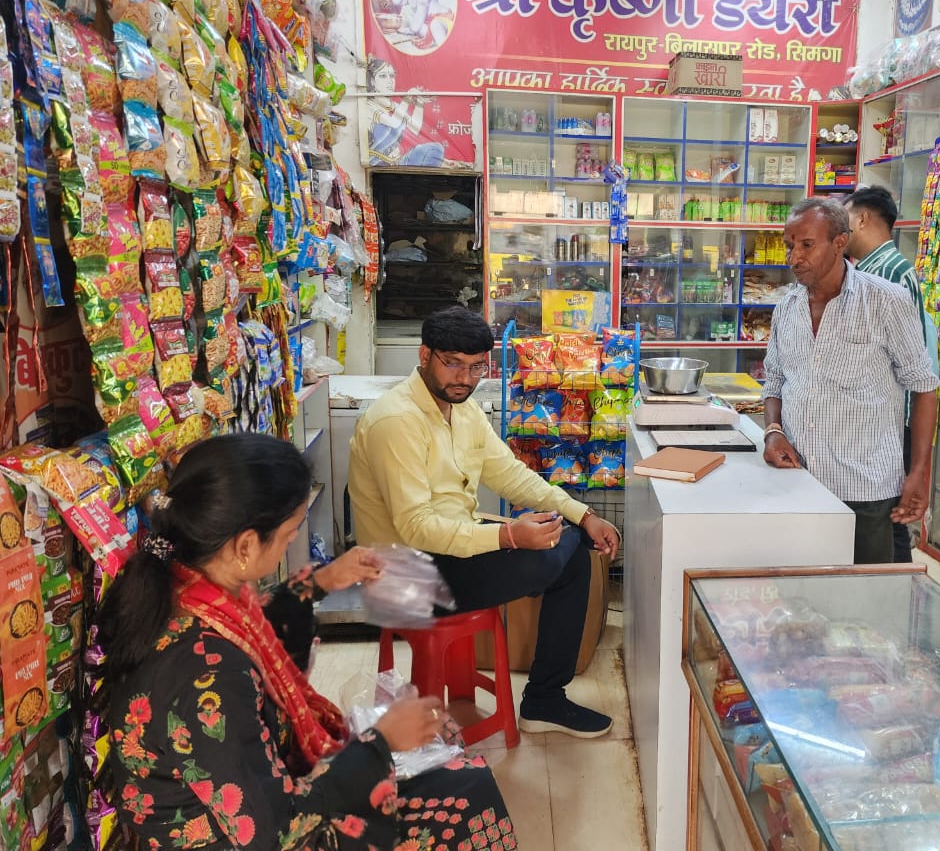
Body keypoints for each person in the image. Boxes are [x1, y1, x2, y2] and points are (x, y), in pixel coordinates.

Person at [97, 433, 517, 851]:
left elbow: (260, 635)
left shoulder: (191, 587)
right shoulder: (205, 675)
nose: (291, 544)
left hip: (255, 799)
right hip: (249, 835)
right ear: (246, 545)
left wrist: (323, 581)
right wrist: (381, 743)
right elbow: (273, 831)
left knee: (450, 761)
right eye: (288, 535)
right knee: (462, 803)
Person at [348, 307, 621, 739]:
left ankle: (544, 701)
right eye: (453, 363)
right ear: (424, 355)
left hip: (450, 553)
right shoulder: (396, 421)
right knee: (559, 553)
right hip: (407, 575)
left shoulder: (464, 410)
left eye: (476, 367)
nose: (465, 378)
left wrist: (582, 514)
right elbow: (417, 526)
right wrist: (511, 535)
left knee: (569, 550)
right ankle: (544, 697)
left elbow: (510, 475)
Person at [762, 198, 940, 564]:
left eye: (807, 245)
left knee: (864, 595)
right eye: (790, 246)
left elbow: (924, 386)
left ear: (839, 243)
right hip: (798, 482)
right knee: (803, 591)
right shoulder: (786, 308)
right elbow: (775, 381)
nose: (794, 257)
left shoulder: (886, 301)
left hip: (865, 490)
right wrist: (773, 432)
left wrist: (918, 472)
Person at [844, 185, 937, 562]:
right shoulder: (872, 268)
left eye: (844, 218)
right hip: (885, 422)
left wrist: (917, 462)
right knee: (886, 519)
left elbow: (913, 370)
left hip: (890, 424)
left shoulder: (887, 274)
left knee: (889, 520)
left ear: (862, 219)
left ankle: (898, 592)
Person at [366, 58, 446, 168]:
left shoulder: (394, 106)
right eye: (383, 76)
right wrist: (407, 97)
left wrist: (420, 102)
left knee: (436, 149)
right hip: (378, 165)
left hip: (399, 162)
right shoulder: (369, 106)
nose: (390, 81)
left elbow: (415, 128)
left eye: (392, 75)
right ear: (372, 81)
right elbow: (394, 123)